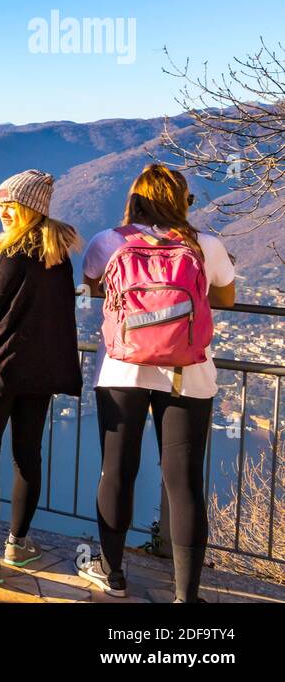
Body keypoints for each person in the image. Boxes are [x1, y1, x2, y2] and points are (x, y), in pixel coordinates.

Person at [78, 164, 235, 603]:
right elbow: (225, 296)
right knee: (183, 481)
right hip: (189, 373)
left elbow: (93, 288)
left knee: (117, 470)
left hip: (121, 370)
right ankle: (186, 595)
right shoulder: (205, 245)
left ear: (135, 198)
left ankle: (112, 575)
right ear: (182, 199)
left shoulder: (109, 241)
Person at [0, 170, 82, 585]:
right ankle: (19, 542)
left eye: (11, 205)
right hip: (40, 372)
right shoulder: (57, 254)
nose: (4, 212)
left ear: (31, 208)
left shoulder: (11, 253)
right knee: (27, 456)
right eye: (0, 206)